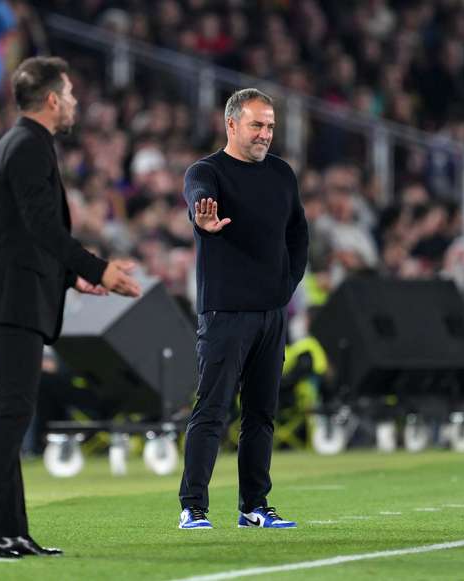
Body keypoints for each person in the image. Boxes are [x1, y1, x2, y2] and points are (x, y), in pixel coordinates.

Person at [0, 56, 141, 559]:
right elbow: (43, 229)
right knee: (11, 413)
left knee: (5, 414)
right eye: (72, 94)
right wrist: (99, 269)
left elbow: (20, 236)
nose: (75, 103)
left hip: (7, 295)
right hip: (13, 301)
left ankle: (8, 529)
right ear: (53, 99)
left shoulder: (16, 145)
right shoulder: (30, 148)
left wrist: (73, 277)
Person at [177, 88, 308, 530]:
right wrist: (201, 218)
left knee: (261, 415)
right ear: (231, 124)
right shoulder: (207, 171)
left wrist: (285, 287)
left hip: (271, 314)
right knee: (212, 410)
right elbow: (197, 194)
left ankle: (255, 505)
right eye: (257, 124)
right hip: (225, 312)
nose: (265, 134)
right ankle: (193, 507)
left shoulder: (282, 174)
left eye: (270, 126)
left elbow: (298, 236)